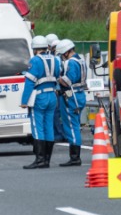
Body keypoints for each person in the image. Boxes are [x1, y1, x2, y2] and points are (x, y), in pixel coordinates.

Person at [22, 35, 62, 169]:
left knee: (37, 127)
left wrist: (24, 101)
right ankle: (47, 160)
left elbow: (29, 82)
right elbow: (58, 75)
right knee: (49, 126)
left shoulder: (35, 60)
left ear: (34, 49)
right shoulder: (55, 60)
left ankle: (39, 159)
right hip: (52, 95)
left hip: (39, 96)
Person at [56, 39, 87, 167]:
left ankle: (75, 157)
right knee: (75, 125)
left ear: (66, 52)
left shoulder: (71, 62)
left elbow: (68, 81)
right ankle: (74, 156)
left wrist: (57, 78)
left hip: (71, 96)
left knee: (71, 127)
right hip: (79, 95)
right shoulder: (81, 60)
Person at [46, 33, 67, 144]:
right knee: (61, 113)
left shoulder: (55, 58)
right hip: (63, 89)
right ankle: (63, 134)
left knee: (56, 113)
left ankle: (59, 134)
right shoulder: (63, 56)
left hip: (57, 89)